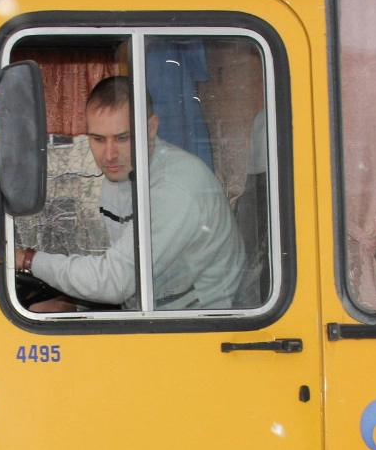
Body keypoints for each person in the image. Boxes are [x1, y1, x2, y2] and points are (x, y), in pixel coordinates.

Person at [14, 76, 246, 312]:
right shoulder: (123, 174)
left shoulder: (174, 188)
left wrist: (28, 260)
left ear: (151, 128)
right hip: (156, 311)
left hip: (201, 326)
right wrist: (75, 306)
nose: (109, 154)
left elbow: (115, 282)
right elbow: (129, 278)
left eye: (122, 138)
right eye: (98, 139)